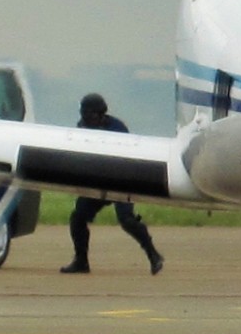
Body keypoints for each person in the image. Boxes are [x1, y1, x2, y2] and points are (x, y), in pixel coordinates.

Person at [62, 93, 164, 275]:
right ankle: (81, 261)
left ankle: (153, 255)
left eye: (91, 114)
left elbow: (130, 157)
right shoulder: (82, 128)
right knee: (77, 218)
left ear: (101, 114)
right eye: (84, 114)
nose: (86, 119)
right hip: (98, 182)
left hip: (121, 181)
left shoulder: (118, 129)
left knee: (127, 220)